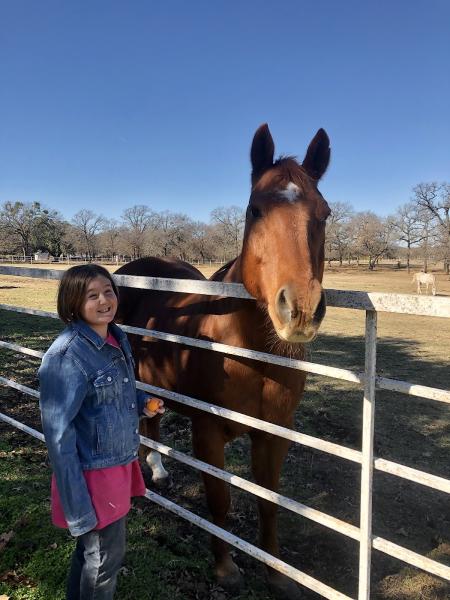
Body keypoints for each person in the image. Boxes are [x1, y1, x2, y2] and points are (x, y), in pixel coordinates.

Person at [38, 264, 164, 600]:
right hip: (92, 477)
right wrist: (77, 504)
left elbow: (110, 393)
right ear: (73, 303)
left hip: (117, 464)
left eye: (108, 291)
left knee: (91, 554)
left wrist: (142, 402)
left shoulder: (114, 337)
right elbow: (58, 437)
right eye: (92, 295)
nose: (104, 300)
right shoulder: (67, 356)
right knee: (104, 560)